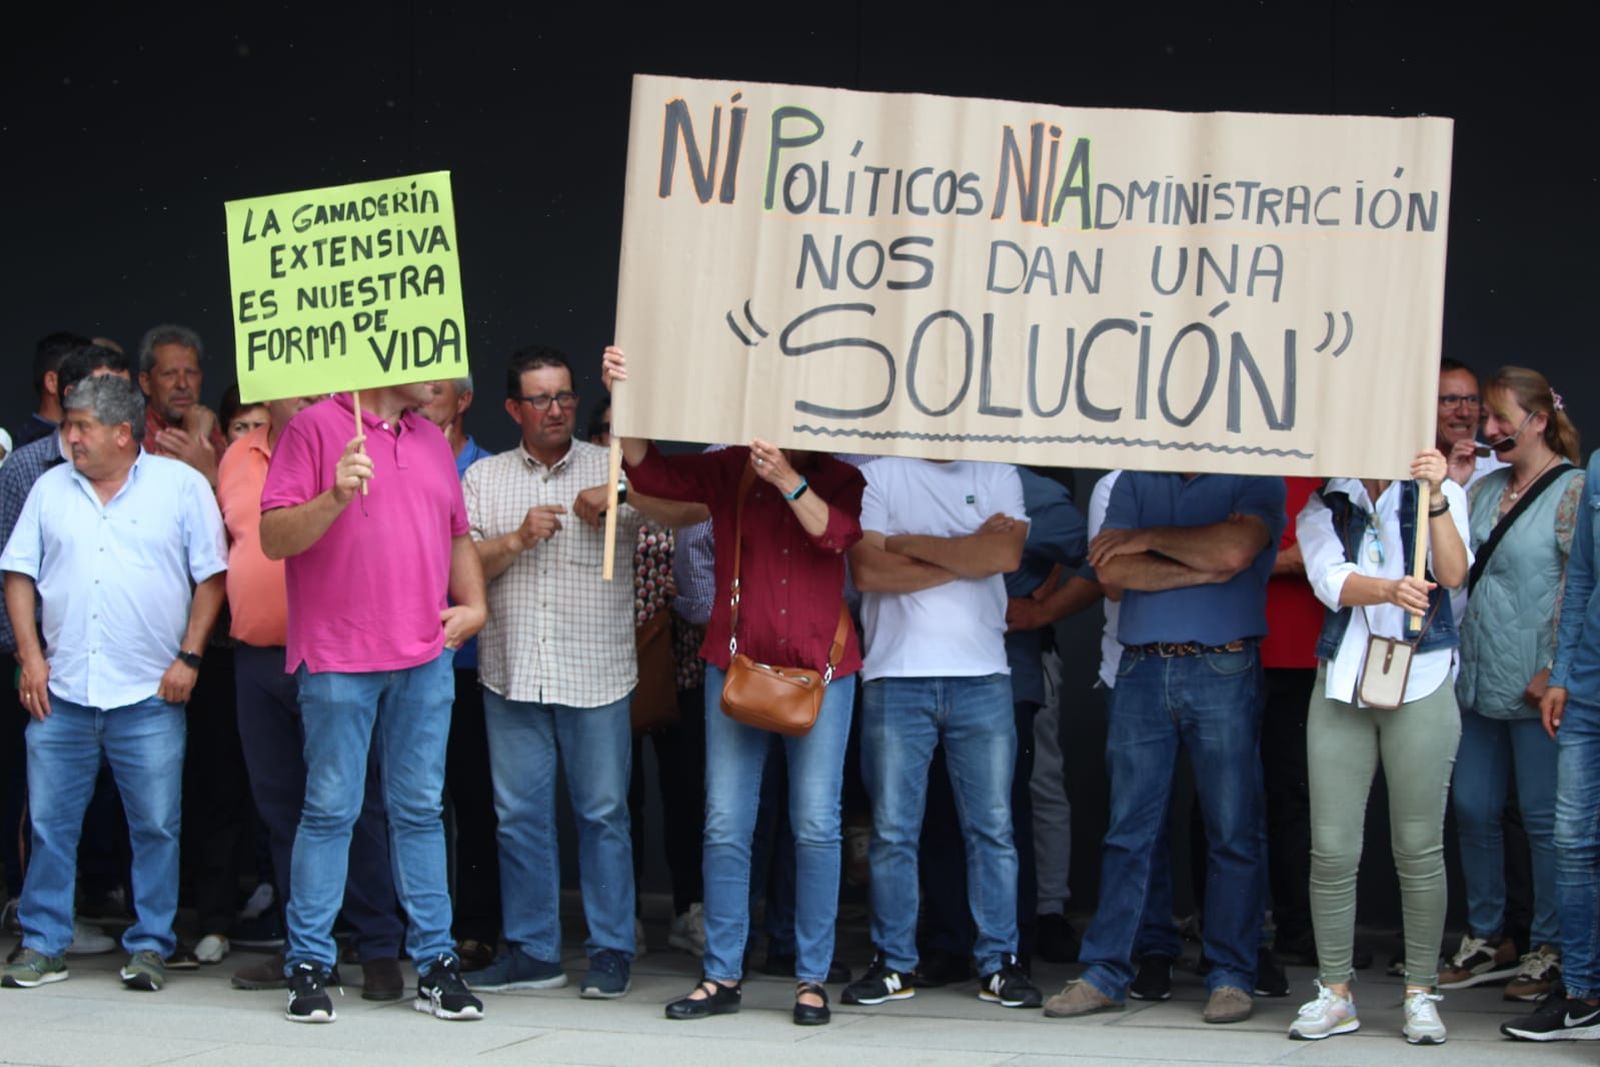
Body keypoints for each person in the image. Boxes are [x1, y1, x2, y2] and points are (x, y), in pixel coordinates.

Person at [603, 345, 865, 1027]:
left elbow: (836, 536)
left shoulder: (840, 476)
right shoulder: (728, 468)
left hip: (821, 671)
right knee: (726, 823)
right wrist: (625, 401)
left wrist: (787, 480)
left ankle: (810, 978)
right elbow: (652, 469)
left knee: (815, 825)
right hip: (739, 665)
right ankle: (720, 973)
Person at [462, 346, 691, 1001]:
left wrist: (620, 490)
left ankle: (612, 949)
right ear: (514, 409)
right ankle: (534, 951)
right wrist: (514, 539)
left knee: (603, 815)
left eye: (564, 395)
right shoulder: (484, 479)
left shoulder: (613, 464)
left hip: (595, 673)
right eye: (540, 398)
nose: (557, 408)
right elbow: (460, 567)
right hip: (513, 674)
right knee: (519, 817)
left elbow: (678, 506)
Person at [259, 383, 487, 1024]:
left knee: (419, 809)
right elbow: (274, 537)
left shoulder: (430, 438)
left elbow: (457, 535)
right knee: (331, 808)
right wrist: (334, 495)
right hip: (337, 656)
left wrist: (475, 604)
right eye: (428, 359)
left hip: (422, 657)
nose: (441, 375)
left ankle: (437, 965)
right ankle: (308, 964)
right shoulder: (311, 427)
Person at [0, 376, 226, 992]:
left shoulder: (180, 487)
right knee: (50, 823)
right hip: (62, 691)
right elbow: (17, 574)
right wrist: (30, 656)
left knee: (155, 826)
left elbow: (212, 577)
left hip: (150, 693)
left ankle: (150, 943)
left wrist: (190, 657)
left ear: (123, 434)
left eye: (80, 427)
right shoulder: (50, 489)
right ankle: (43, 941)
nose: (68, 436)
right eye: (69, 425)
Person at [1045, 470, 1283, 1026]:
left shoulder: (1256, 475)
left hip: (1223, 663)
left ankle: (1230, 974)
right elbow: (1112, 573)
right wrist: (1202, 561)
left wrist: (1146, 537)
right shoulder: (1133, 477)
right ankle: (1106, 971)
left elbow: (1233, 551)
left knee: (1233, 830)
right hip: (1142, 664)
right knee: (1129, 830)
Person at [218, 393, 408, 1001]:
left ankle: (378, 945)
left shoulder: (345, 439)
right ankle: (306, 949)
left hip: (334, 654)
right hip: (258, 655)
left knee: (359, 805)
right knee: (282, 809)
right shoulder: (236, 456)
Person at [843, 455, 1042, 1012]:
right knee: (892, 832)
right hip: (894, 675)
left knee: (993, 829)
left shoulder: (997, 471)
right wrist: (965, 553)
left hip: (981, 674)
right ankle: (893, 963)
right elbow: (869, 572)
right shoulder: (878, 474)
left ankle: (1000, 961)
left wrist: (908, 542)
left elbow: (1003, 554)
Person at [1287, 449, 1469, 1045]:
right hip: (1343, 680)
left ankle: (1420, 991)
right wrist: (1389, 589)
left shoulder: (1436, 492)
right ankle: (1334, 991)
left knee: (1418, 847)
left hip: (1422, 677)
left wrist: (1437, 496)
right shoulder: (1326, 501)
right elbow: (1329, 581)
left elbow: (1454, 571)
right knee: (1332, 849)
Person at [1446, 368, 1582, 1002]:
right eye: (1486, 418)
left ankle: (1550, 946)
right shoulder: (1484, 486)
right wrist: (1452, 483)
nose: (1489, 429)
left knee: (1543, 820)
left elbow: (1584, 586)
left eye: (1500, 418)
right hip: (1476, 677)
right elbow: (1451, 570)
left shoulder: (1573, 491)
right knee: (1472, 808)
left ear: (1538, 420)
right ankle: (1488, 935)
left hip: (1538, 685)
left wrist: (1557, 666)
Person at [1502, 411, 1600, 1041]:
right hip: (1589, 687)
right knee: (1573, 842)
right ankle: (1584, 995)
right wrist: (1561, 671)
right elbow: (1583, 577)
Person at [419, 376, 501, 971]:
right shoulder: (384, 462)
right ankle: (414, 925)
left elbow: (476, 556)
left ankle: (473, 929)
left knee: (473, 801)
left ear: (463, 400)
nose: (425, 399)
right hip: (404, 661)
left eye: (437, 390)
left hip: (469, 663)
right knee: (414, 801)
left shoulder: (489, 472)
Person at [137, 324, 226, 487]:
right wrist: (195, 439)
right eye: (169, 374)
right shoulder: (135, 434)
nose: (183, 384)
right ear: (146, 382)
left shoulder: (210, 424)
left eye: (191, 373)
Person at [1440, 359, 1508, 490]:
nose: (1464, 412)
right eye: (1451, 400)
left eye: (1472, 400)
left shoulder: (1500, 468)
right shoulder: (1404, 466)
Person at [13, 331, 89, 448]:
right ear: (52, 382)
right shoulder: (25, 449)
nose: (94, 386)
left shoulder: (95, 438)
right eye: (83, 377)